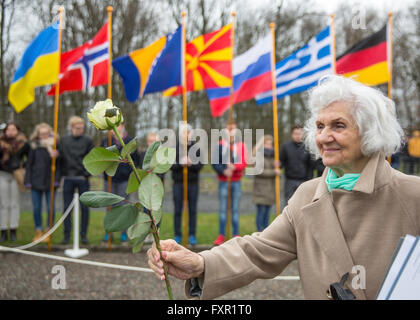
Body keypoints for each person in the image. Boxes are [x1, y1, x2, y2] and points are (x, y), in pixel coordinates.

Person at [147, 75, 420, 300]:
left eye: (339, 125)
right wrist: (201, 263)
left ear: (370, 132)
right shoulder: (307, 195)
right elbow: (259, 250)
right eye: (320, 126)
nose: (324, 136)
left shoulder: (412, 194)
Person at [101, 123, 139, 243]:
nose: (115, 128)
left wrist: (127, 169)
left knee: (123, 206)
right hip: (110, 179)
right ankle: (109, 232)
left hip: (124, 180)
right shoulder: (106, 141)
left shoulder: (130, 141)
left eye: (117, 126)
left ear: (122, 125)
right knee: (109, 206)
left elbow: (136, 160)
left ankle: (123, 233)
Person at [211, 122, 248, 246]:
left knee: (235, 209)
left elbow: (244, 162)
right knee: (222, 209)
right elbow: (215, 163)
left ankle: (235, 234)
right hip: (223, 181)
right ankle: (221, 235)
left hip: (236, 181)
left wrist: (235, 167)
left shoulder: (241, 146)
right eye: (229, 130)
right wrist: (223, 170)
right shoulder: (219, 145)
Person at [60, 116, 94, 245]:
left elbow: (92, 159)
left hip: (82, 178)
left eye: (82, 128)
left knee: (85, 208)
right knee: (66, 207)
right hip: (68, 177)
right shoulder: (63, 140)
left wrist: (86, 174)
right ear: (71, 127)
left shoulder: (88, 140)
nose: (80, 130)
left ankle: (83, 234)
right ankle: (66, 234)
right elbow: (60, 159)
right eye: (78, 128)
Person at [24, 123, 61, 242]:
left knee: (51, 208)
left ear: (50, 133)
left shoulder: (56, 146)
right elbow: (29, 164)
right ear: (38, 135)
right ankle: (38, 230)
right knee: (36, 207)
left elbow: (60, 165)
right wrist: (28, 180)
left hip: (50, 181)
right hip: (36, 181)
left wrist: (57, 157)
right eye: (42, 134)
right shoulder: (34, 146)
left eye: (46, 134)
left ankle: (48, 231)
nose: (44, 136)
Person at [170, 124, 203, 245]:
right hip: (178, 183)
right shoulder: (175, 148)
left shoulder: (196, 148)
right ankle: (178, 234)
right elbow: (171, 166)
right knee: (178, 210)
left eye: (188, 132)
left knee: (192, 210)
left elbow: (200, 165)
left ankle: (192, 235)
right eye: (184, 132)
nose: (187, 135)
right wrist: (180, 163)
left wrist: (191, 163)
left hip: (192, 184)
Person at [0, 122, 30, 242]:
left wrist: (22, 165)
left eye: (13, 129)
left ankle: (13, 230)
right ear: (5, 131)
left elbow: (30, 158)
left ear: (17, 131)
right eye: (9, 129)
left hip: (16, 176)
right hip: (2, 174)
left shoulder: (23, 144)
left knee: (14, 204)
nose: (11, 132)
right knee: (3, 204)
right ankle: (3, 231)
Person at [252, 135, 280, 232]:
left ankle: (265, 232)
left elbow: (275, 169)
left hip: (270, 189)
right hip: (260, 189)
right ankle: (259, 231)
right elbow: (258, 171)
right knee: (261, 212)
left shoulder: (273, 156)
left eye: (270, 144)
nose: (268, 146)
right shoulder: (257, 155)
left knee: (267, 213)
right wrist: (274, 172)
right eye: (266, 144)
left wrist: (277, 166)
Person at [280, 125, 313, 204]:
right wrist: (278, 166)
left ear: (303, 135)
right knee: (288, 202)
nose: (298, 136)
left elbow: (311, 165)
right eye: (295, 134)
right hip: (290, 180)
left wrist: (309, 179)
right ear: (292, 134)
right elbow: (281, 162)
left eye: (300, 134)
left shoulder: (307, 147)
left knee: (303, 203)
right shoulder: (286, 147)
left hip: (304, 180)